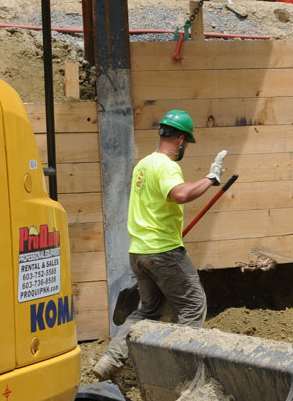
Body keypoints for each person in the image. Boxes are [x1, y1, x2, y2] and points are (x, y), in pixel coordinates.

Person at [93, 109, 227, 380]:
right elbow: (179, 194)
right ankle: (179, 371)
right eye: (186, 142)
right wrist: (211, 179)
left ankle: (111, 359)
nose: (185, 147)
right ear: (179, 140)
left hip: (139, 252)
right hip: (163, 252)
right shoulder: (167, 165)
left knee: (148, 310)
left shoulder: (143, 164)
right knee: (193, 305)